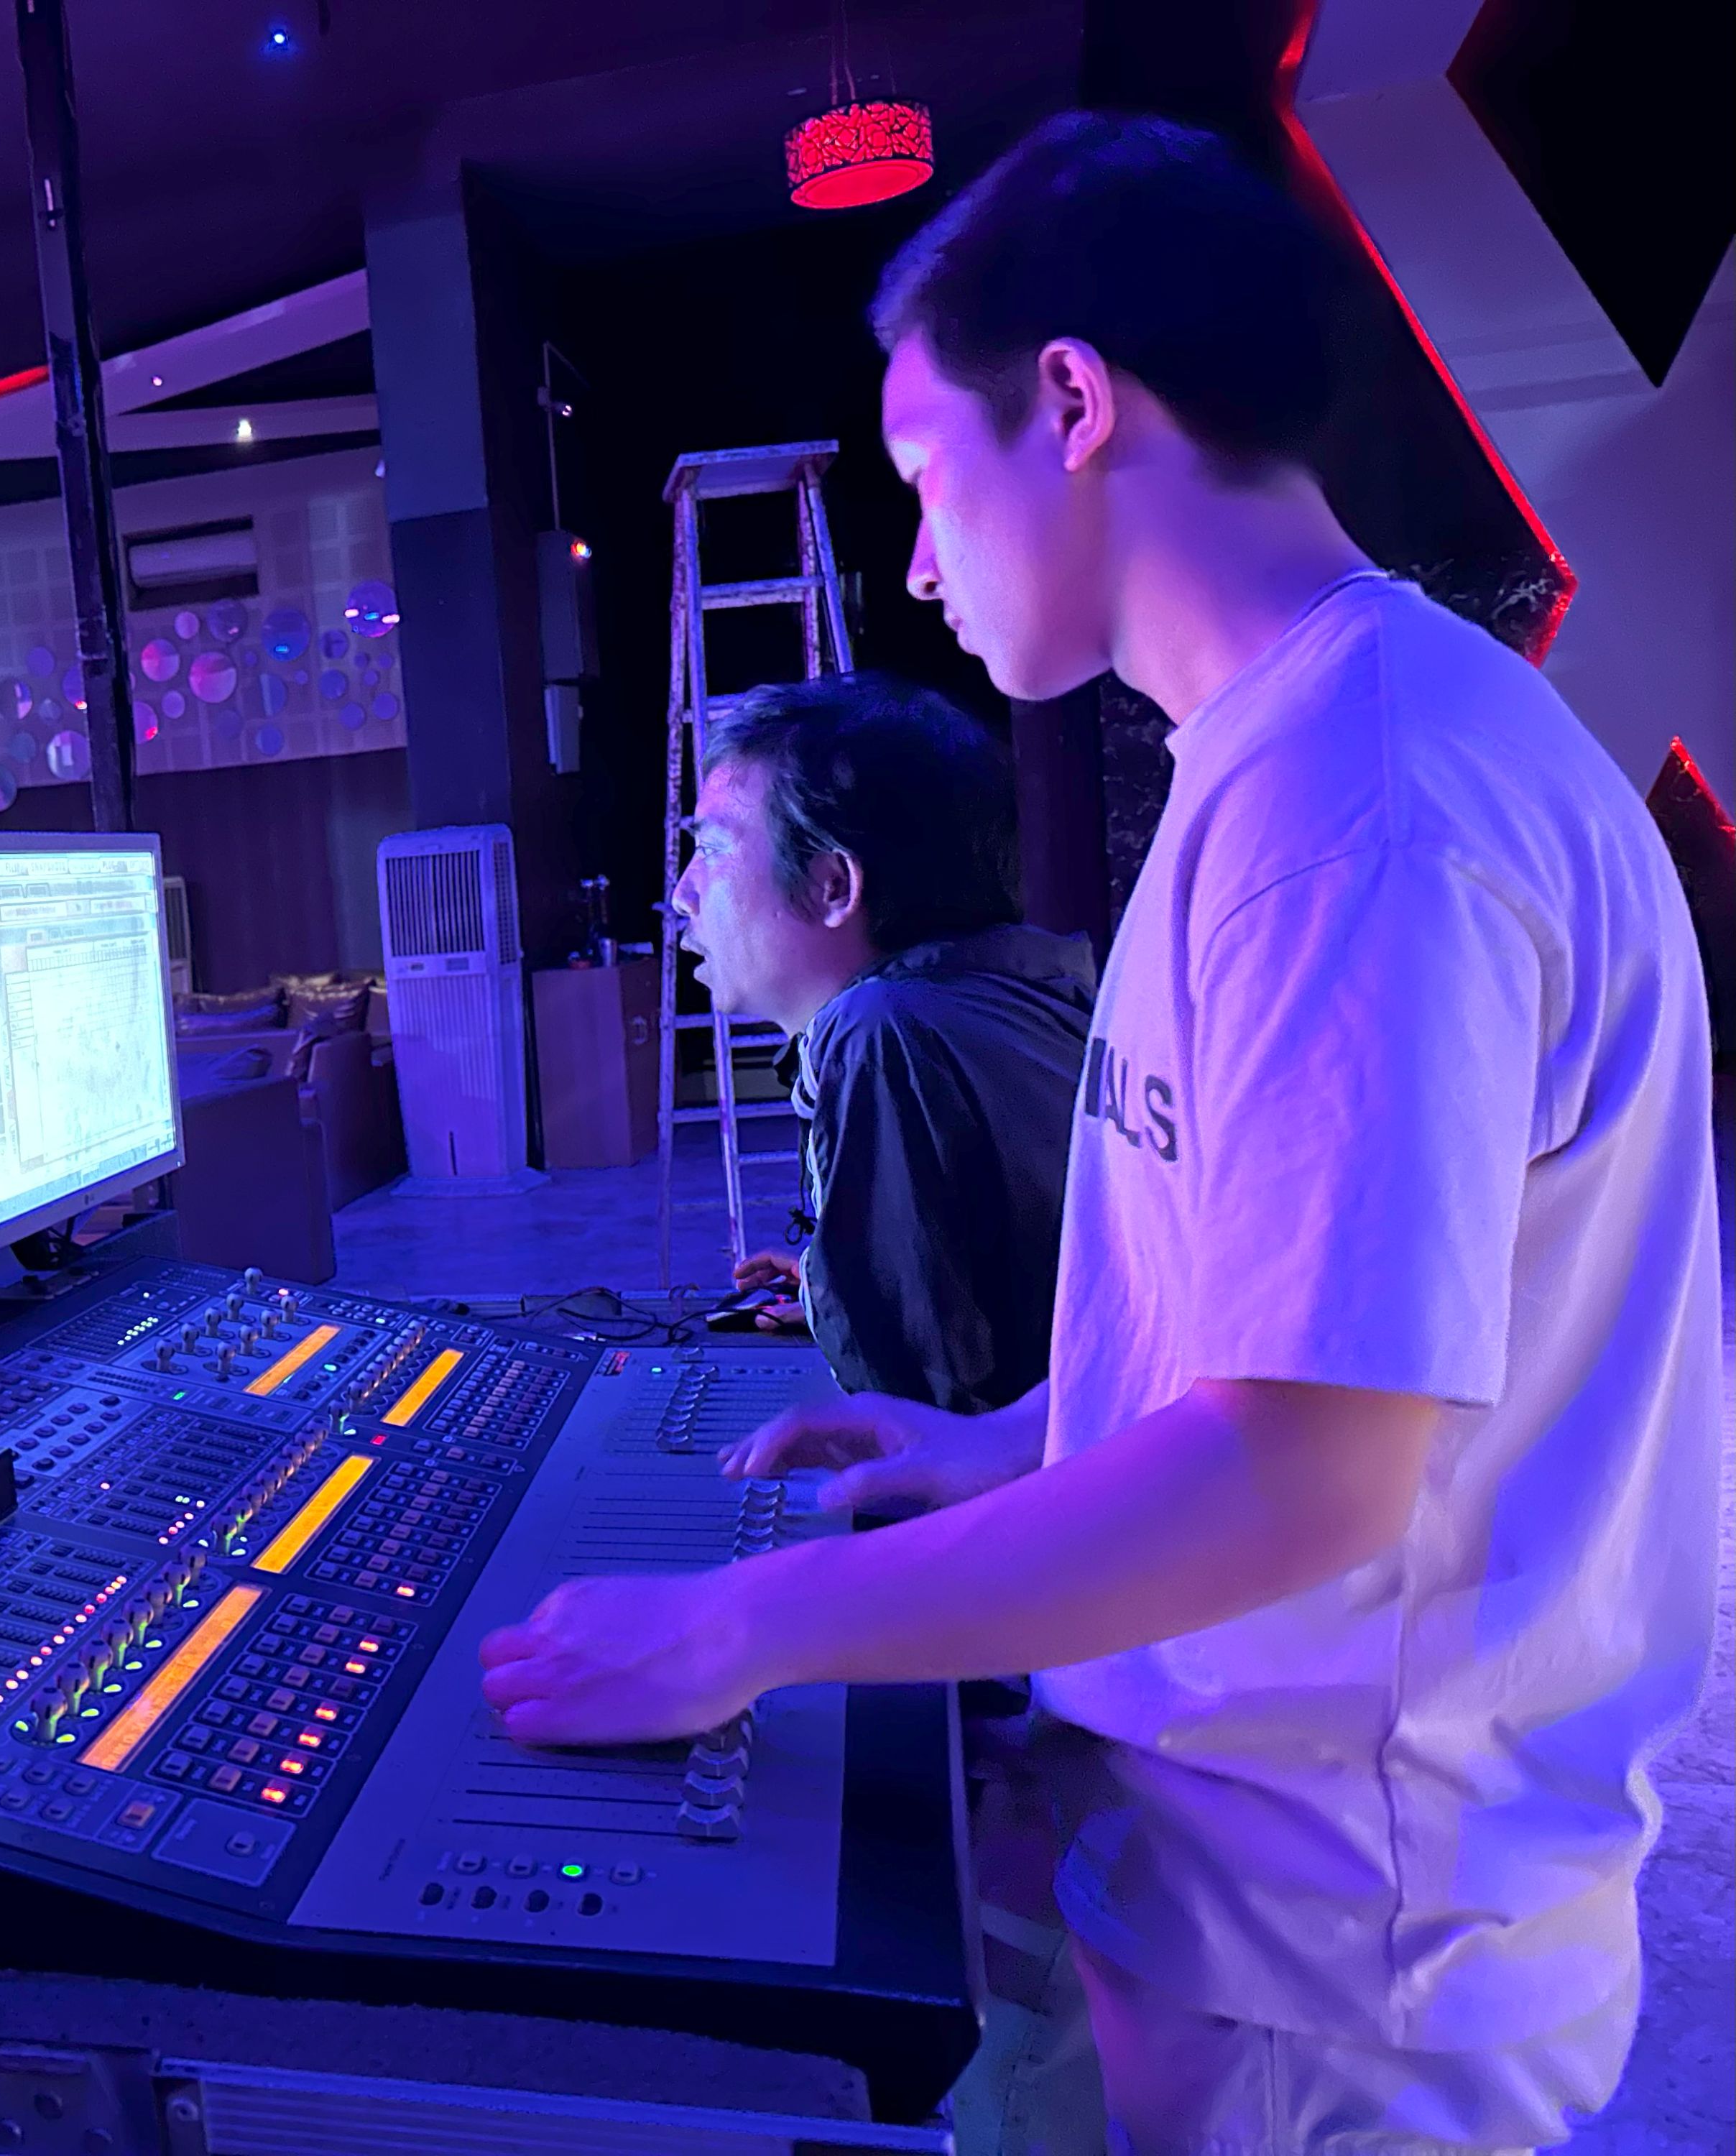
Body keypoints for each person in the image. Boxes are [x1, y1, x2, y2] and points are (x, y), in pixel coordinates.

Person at [481, 112, 1719, 2153]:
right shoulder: (1296, 750)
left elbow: (1308, 1473)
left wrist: (739, 1629)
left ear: (1069, 402)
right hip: (1274, 1890)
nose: (915, 560)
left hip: (1339, 1955)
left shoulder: (1358, 803)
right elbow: (1284, 1332)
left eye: (920, 477)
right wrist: (1000, 1442)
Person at [679, 671, 1093, 1412]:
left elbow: (913, 1416)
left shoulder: (882, 1031)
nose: (684, 894)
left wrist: (870, 1318)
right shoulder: (1001, 999)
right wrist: (841, 1285)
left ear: (833, 886)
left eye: (711, 849)